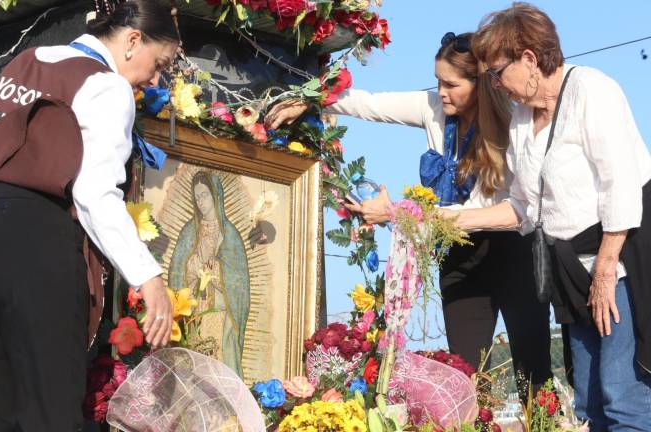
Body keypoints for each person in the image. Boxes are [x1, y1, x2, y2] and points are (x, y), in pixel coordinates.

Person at [0, 1, 179, 429]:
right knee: (51, 410)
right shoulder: (106, 85)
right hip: (26, 236)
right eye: (159, 64)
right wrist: (148, 276)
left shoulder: (30, 60)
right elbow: (95, 194)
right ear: (132, 40)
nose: (154, 79)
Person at [266, 32, 553, 389]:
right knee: (464, 375)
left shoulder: (514, 122)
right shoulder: (433, 107)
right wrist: (311, 101)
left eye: (451, 84)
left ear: (480, 84)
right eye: (437, 81)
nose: (441, 91)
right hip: (459, 253)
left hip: (513, 250)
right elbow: (369, 104)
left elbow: (508, 210)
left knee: (533, 373)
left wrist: (402, 214)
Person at [440, 3, 651, 429]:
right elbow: (523, 207)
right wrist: (449, 219)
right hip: (571, 271)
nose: (495, 86)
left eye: (498, 73)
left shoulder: (593, 90)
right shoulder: (521, 119)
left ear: (530, 59)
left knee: (622, 398)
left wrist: (606, 271)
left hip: (620, 262)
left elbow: (622, 188)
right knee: (590, 400)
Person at [168, 171, 250, 376]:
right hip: (196, 316)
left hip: (222, 316)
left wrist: (218, 273)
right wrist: (192, 270)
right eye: (197, 197)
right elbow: (177, 273)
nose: (200, 201)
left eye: (204, 195)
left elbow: (240, 287)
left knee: (222, 374)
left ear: (216, 196)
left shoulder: (230, 235)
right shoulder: (189, 232)